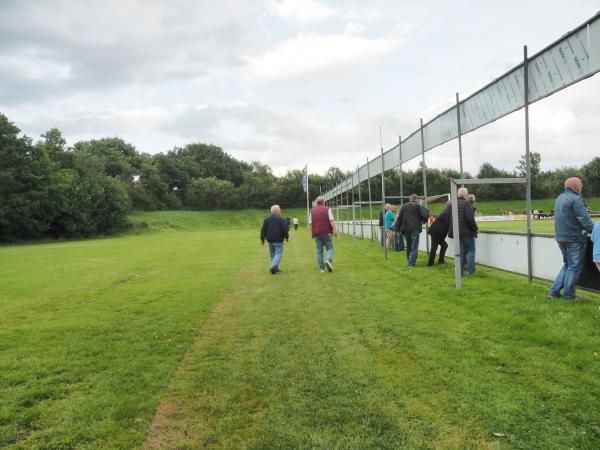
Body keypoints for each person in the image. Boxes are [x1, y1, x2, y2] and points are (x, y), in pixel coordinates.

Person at [548, 177, 594, 300]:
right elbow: (584, 220)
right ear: (575, 186)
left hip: (560, 237)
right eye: (580, 184)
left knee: (567, 265)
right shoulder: (576, 199)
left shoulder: (559, 198)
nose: (582, 186)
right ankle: (569, 295)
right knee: (574, 267)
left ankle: (553, 292)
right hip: (574, 238)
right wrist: (595, 231)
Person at [448, 187, 478, 275]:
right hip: (467, 232)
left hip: (457, 232)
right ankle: (471, 271)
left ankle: (459, 272)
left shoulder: (453, 204)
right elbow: (470, 219)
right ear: (466, 194)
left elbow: (451, 219)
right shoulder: (467, 203)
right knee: (471, 251)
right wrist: (476, 229)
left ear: (458, 194)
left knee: (460, 252)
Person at [396, 194, 429, 266]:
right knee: (414, 246)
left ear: (409, 199)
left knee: (409, 245)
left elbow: (399, 219)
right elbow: (425, 214)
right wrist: (424, 220)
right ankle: (411, 262)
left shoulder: (404, 206)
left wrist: (398, 230)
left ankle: (410, 260)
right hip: (415, 228)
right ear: (416, 199)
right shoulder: (418, 206)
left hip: (406, 228)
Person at [309, 196, 337, 273]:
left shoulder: (312, 211)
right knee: (330, 248)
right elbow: (331, 221)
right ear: (324, 202)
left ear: (317, 203)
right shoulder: (327, 209)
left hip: (317, 233)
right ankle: (328, 260)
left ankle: (322, 269)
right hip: (327, 232)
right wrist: (335, 231)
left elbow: (311, 224)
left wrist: (312, 234)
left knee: (319, 251)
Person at [260, 205, 289, 274]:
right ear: (277, 211)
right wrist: (286, 237)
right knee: (278, 254)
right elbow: (285, 229)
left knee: (273, 255)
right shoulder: (281, 219)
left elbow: (263, 230)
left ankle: (275, 269)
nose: (280, 210)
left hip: (270, 240)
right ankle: (272, 266)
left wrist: (262, 239)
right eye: (279, 209)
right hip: (278, 240)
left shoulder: (266, 219)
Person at [428, 200, 450, 266]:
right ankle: (430, 264)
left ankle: (440, 261)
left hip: (436, 231)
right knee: (434, 247)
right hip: (436, 232)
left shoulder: (447, 211)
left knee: (444, 245)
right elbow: (448, 222)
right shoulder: (448, 212)